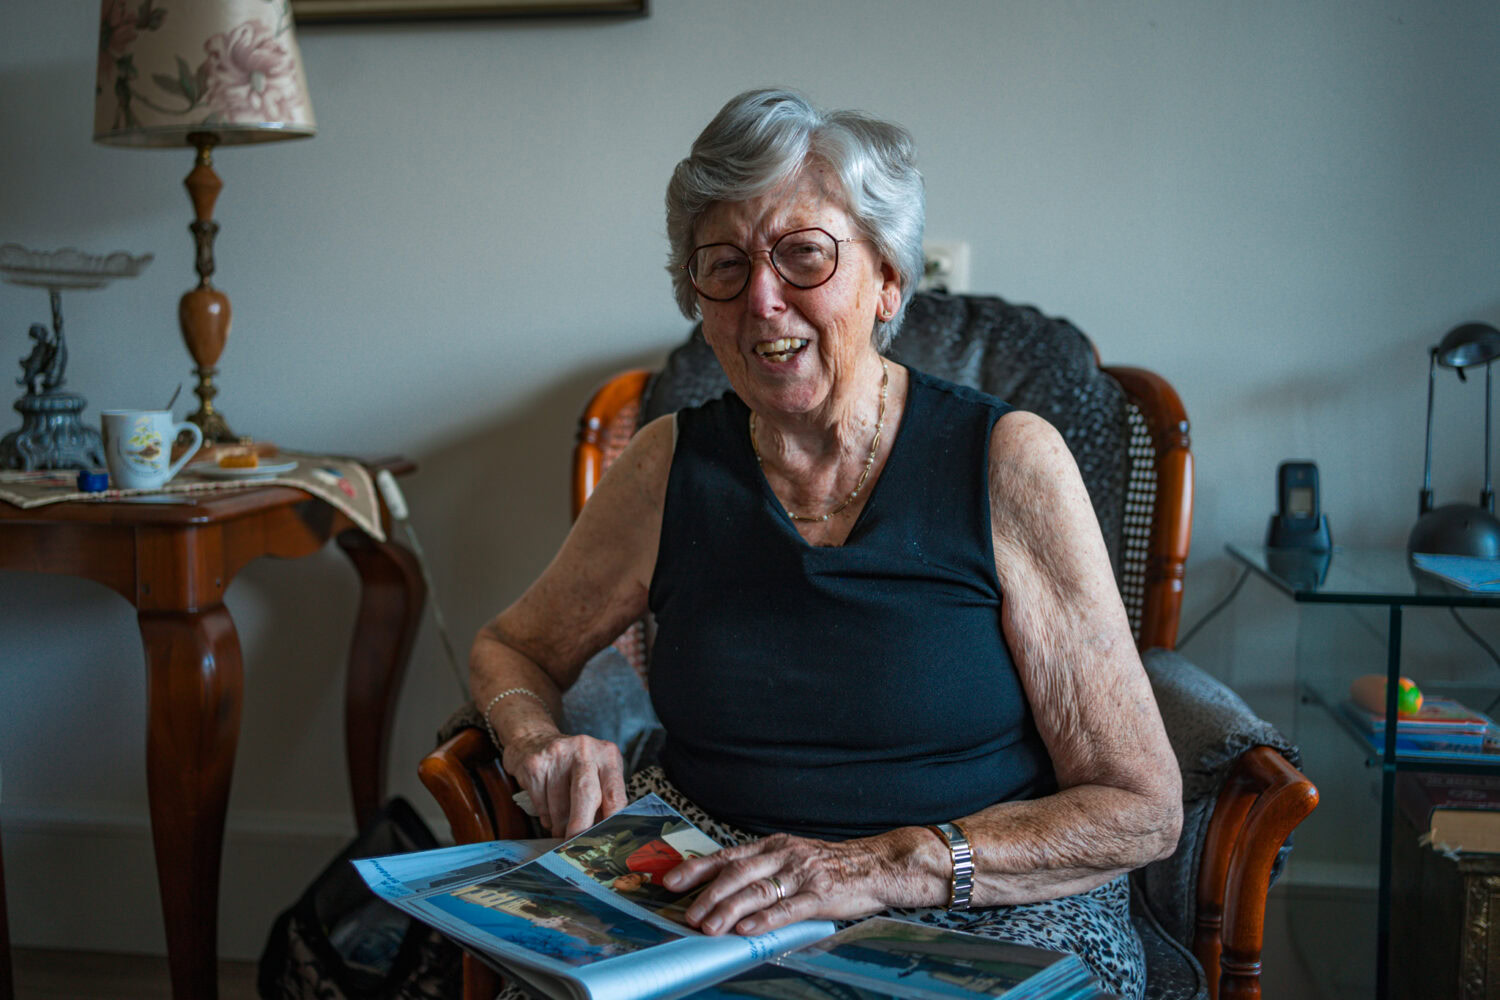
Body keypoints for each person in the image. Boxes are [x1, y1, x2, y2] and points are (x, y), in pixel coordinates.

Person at [470, 88, 1182, 999]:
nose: (762, 300)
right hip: (714, 890)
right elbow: (513, 646)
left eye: (803, 255)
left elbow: (1141, 811)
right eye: (722, 266)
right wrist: (540, 740)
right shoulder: (667, 466)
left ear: (887, 279)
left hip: (973, 891)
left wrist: (885, 866)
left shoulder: (1008, 462)